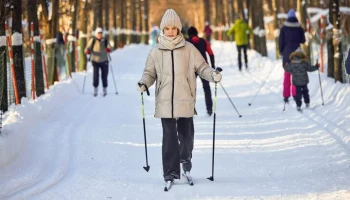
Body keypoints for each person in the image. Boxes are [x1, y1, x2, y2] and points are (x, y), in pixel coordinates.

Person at [137, 9, 222, 184]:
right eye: (167, 28)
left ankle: (185, 161)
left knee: (186, 136)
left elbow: (202, 67)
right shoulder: (156, 51)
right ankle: (170, 172)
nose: (170, 31)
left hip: (185, 99)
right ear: (162, 29)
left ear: (178, 29)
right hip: (165, 102)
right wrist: (144, 83)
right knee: (169, 138)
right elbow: (149, 73)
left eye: (173, 28)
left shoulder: (189, 49)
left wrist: (212, 74)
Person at [187, 26, 216, 116]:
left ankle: (190, 110)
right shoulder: (203, 41)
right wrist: (212, 67)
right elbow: (211, 54)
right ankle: (209, 109)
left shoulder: (185, 42)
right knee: (206, 88)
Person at [279, 9, 306, 103]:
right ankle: (296, 95)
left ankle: (286, 96)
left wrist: (282, 52)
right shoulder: (299, 27)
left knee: (287, 75)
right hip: (297, 53)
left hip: (287, 53)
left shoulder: (284, 28)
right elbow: (303, 40)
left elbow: (280, 42)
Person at [85, 27, 112, 97]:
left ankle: (105, 90)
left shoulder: (105, 40)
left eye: (101, 33)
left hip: (104, 60)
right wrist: (87, 51)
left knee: (104, 76)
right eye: (98, 33)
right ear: (96, 34)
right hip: (95, 61)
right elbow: (87, 48)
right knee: (95, 76)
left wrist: (109, 49)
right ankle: (95, 90)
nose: (100, 35)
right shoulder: (93, 40)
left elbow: (110, 47)